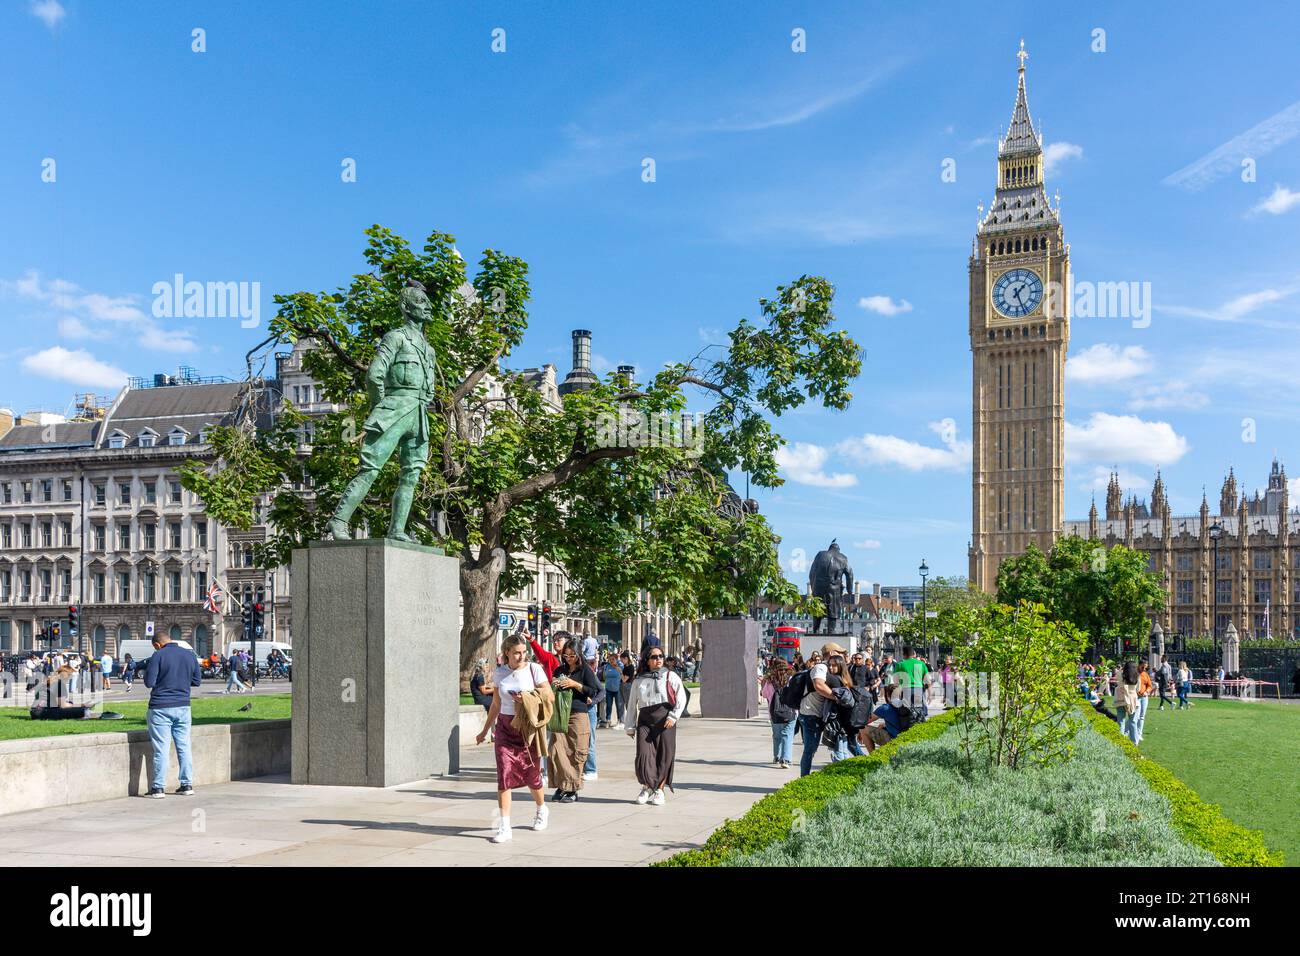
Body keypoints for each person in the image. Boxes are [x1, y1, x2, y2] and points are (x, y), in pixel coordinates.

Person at [476, 633, 550, 843]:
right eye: (516, 653)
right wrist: (484, 730)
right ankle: (505, 827)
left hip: (527, 728)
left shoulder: (534, 669)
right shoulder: (500, 673)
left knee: (532, 776)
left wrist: (526, 697)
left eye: (523, 652)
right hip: (505, 729)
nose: (521, 656)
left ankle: (541, 809)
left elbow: (549, 695)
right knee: (504, 776)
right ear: (506, 653)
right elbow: (496, 705)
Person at [143, 631, 204, 797]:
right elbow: (197, 681)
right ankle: (186, 784)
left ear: (157, 644)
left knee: (161, 748)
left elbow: (149, 682)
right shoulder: (189, 655)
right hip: (183, 706)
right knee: (184, 746)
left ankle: (158, 787)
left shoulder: (158, 655)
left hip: (160, 706)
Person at [625, 645, 686, 805]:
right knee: (644, 754)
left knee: (665, 754)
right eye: (654, 657)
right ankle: (647, 786)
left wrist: (674, 716)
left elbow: (681, 697)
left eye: (660, 656)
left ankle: (659, 789)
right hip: (645, 719)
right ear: (647, 660)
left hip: (665, 718)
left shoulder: (670, 676)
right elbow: (632, 703)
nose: (658, 659)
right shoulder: (639, 679)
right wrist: (630, 725)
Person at [549, 641, 600, 803]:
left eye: (572, 655)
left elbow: (593, 690)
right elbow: (552, 689)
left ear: (578, 655)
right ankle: (563, 784)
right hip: (560, 713)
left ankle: (572, 788)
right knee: (556, 750)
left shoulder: (585, 670)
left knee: (576, 751)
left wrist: (575, 684)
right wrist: (556, 684)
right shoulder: (559, 670)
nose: (569, 659)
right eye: (566, 655)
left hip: (578, 713)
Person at [797, 642, 847, 777]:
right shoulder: (820, 668)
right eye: (839, 652)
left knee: (836, 744)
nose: (842, 655)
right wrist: (837, 698)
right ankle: (804, 779)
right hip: (811, 714)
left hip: (820, 714)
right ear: (831, 653)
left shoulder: (829, 668)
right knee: (810, 749)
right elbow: (819, 685)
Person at [762, 658, 798, 768]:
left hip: (774, 713)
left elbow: (764, 694)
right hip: (791, 711)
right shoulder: (792, 679)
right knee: (787, 735)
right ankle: (785, 760)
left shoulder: (770, 681)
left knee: (777, 735)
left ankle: (777, 756)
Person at [860, 685, 906, 753]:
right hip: (905, 739)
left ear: (887, 695)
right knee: (882, 727)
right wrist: (885, 724)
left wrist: (859, 733)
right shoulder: (906, 705)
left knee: (863, 729)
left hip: (894, 740)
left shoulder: (885, 708)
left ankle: (873, 757)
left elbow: (865, 721)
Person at [1114, 661, 1141, 745]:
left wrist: (1121, 669)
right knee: (1133, 722)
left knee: (1121, 722)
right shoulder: (1137, 676)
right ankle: (1134, 742)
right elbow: (1138, 689)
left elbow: (1117, 678)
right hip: (1133, 700)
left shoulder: (1121, 674)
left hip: (1121, 699)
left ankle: (1120, 742)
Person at [600, 652, 624, 728]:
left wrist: (616, 666)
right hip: (608, 689)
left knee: (618, 705)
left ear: (617, 659)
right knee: (609, 706)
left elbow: (622, 673)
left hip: (617, 689)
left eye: (613, 659)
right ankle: (608, 720)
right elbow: (604, 676)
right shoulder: (607, 666)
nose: (611, 661)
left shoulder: (620, 665)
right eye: (610, 659)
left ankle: (620, 720)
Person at [1135, 661, 1154, 744]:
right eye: (1142, 667)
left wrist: (1147, 691)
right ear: (1138, 665)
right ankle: (1132, 732)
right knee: (1136, 716)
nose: (1143, 669)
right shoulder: (1134, 673)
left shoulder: (1145, 674)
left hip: (1144, 697)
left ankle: (1139, 733)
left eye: (1145, 667)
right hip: (1136, 697)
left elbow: (1150, 685)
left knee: (1142, 716)